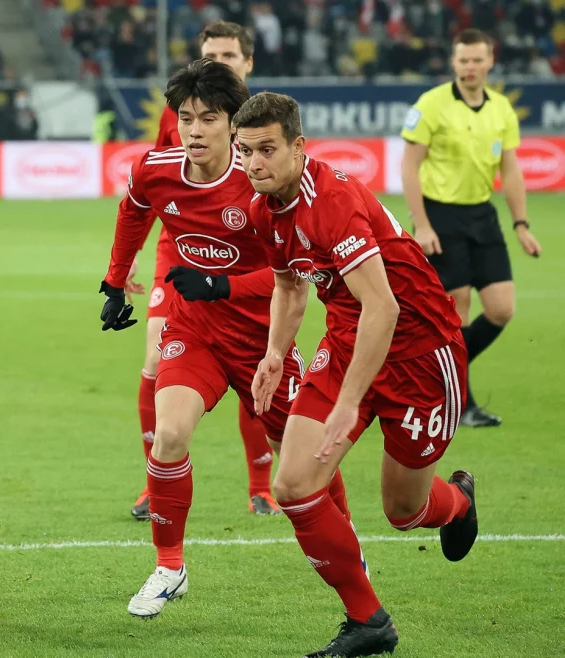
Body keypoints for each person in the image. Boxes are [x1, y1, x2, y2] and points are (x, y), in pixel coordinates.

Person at [100, 60, 353, 620]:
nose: (193, 130)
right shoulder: (156, 170)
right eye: (185, 118)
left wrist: (221, 283)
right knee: (169, 435)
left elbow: (295, 274)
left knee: (311, 459)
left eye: (207, 118)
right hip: (196, 332)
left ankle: (349, 552)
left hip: (266, 341)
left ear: (230, 123)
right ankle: (169, 567)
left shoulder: (260, 182)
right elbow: (133, 212)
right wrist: (115, 280)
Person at [236, 92, 478, 657]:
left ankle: (459, 503)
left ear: (298, 147)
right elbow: (292, 284)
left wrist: (348, 403)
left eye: (266, 150)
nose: (253, 164)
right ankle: (369, 621)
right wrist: (276, 352)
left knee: (404, 511)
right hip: (349, 341)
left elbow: (386, 308)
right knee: (293, 485)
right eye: (245, 151)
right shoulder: (260, 208)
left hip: (420, 352)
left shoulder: (335, 201)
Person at [130, 21, 271, 521]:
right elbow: (152, 190)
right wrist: (126, 265)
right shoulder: (184, 115)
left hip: (242, 265)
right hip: (181, 252)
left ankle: (262, 485)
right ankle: (156, 477)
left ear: (247, 63)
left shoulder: (263, 127)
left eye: (229, 55)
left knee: (252, 373)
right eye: (211, 53)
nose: (220, 62)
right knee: (154, 360)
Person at [400, 28, 541, 428]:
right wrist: (422, 225)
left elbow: (510, 171)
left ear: (490, 61)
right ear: (453, 61)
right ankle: (461, 404)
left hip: (483, 214)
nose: (470, 67)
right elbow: (409, 168)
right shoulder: (431, 104)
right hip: (440, 215)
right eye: (463, 60)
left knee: (501, 308)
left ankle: (444, 373)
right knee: (456, 308)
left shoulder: (501, 109)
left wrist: (521, 224)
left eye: (478, 60)